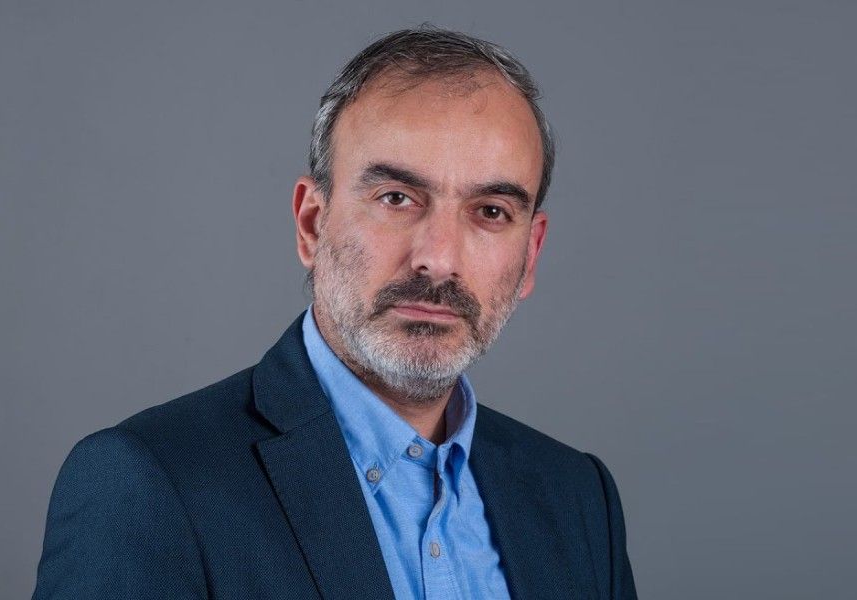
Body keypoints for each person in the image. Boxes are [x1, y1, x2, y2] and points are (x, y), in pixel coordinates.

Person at [32, 25, 636, 600]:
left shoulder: (579, 498)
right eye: (396, 198)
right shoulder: (149, 484)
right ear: (312, 224)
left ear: (530, 255)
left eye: (491, 211)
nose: (438, 259)